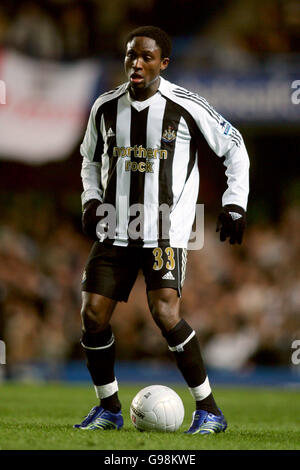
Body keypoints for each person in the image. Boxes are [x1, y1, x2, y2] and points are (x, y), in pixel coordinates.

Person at [74, 26, 249, 434]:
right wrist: (91, 199)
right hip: (114, 228)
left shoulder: (186, 105)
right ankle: (109, 409)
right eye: (131, 55)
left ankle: (209, 410)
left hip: (164, 231)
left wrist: (234, 203)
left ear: (163, 63)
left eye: (146, 57)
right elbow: (88, 159)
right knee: (92, 314)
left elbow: (234, 146)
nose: (136, 63)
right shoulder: (104, 107)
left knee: (165, 311)